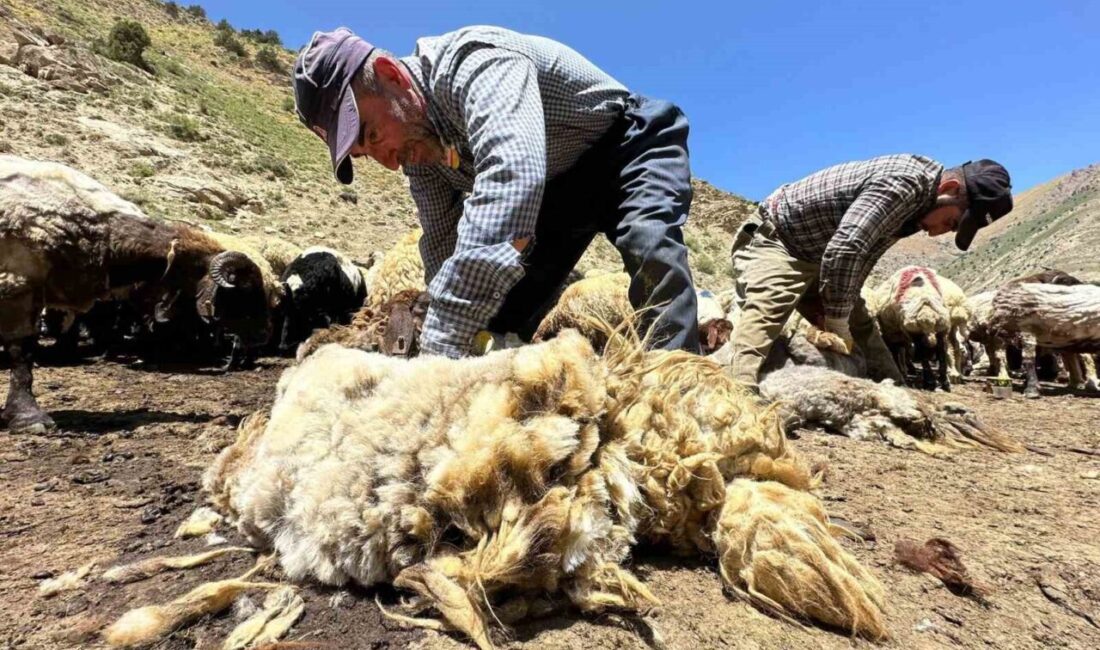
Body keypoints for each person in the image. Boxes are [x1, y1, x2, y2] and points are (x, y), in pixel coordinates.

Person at [293, 26, 700, 357]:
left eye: (373, 134)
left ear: (390, 74)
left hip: (627, 145)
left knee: (650, 248)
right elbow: (442, 244)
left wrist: (442, 339)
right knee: (495, 317)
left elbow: (511, 180)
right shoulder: (420, 155)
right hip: (557, 193)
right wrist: (441, 323)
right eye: (367, 155)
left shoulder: (476, 63)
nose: (388, 161)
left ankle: (681, 386)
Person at [728, 155, 1012, 391]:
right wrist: (837, 322)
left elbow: (862, 257)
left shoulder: (915, 213)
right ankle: (737, 394)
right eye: (950, 222)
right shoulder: (905, 183)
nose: (939, 233)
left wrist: (844, 312)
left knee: (861, 323)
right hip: (778, 241)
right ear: (948, 188)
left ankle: (896, 390)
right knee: (769, 308)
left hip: (822, 256)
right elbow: (848, 247)